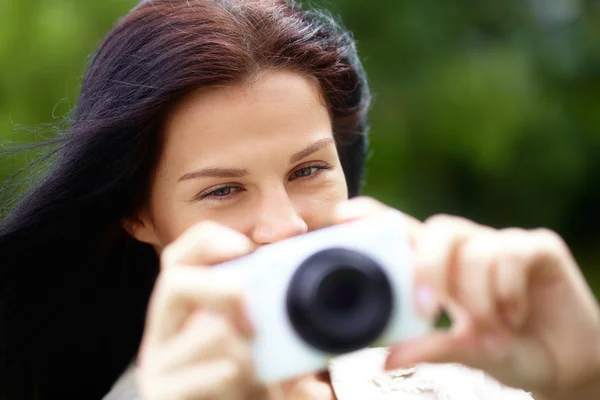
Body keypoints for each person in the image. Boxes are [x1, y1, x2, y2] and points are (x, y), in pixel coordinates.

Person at [0, 0, 598, 399]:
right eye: (223, 189)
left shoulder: (471, 380)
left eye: (309, 169)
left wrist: (583, 378)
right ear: (138, 214)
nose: (284, 226)